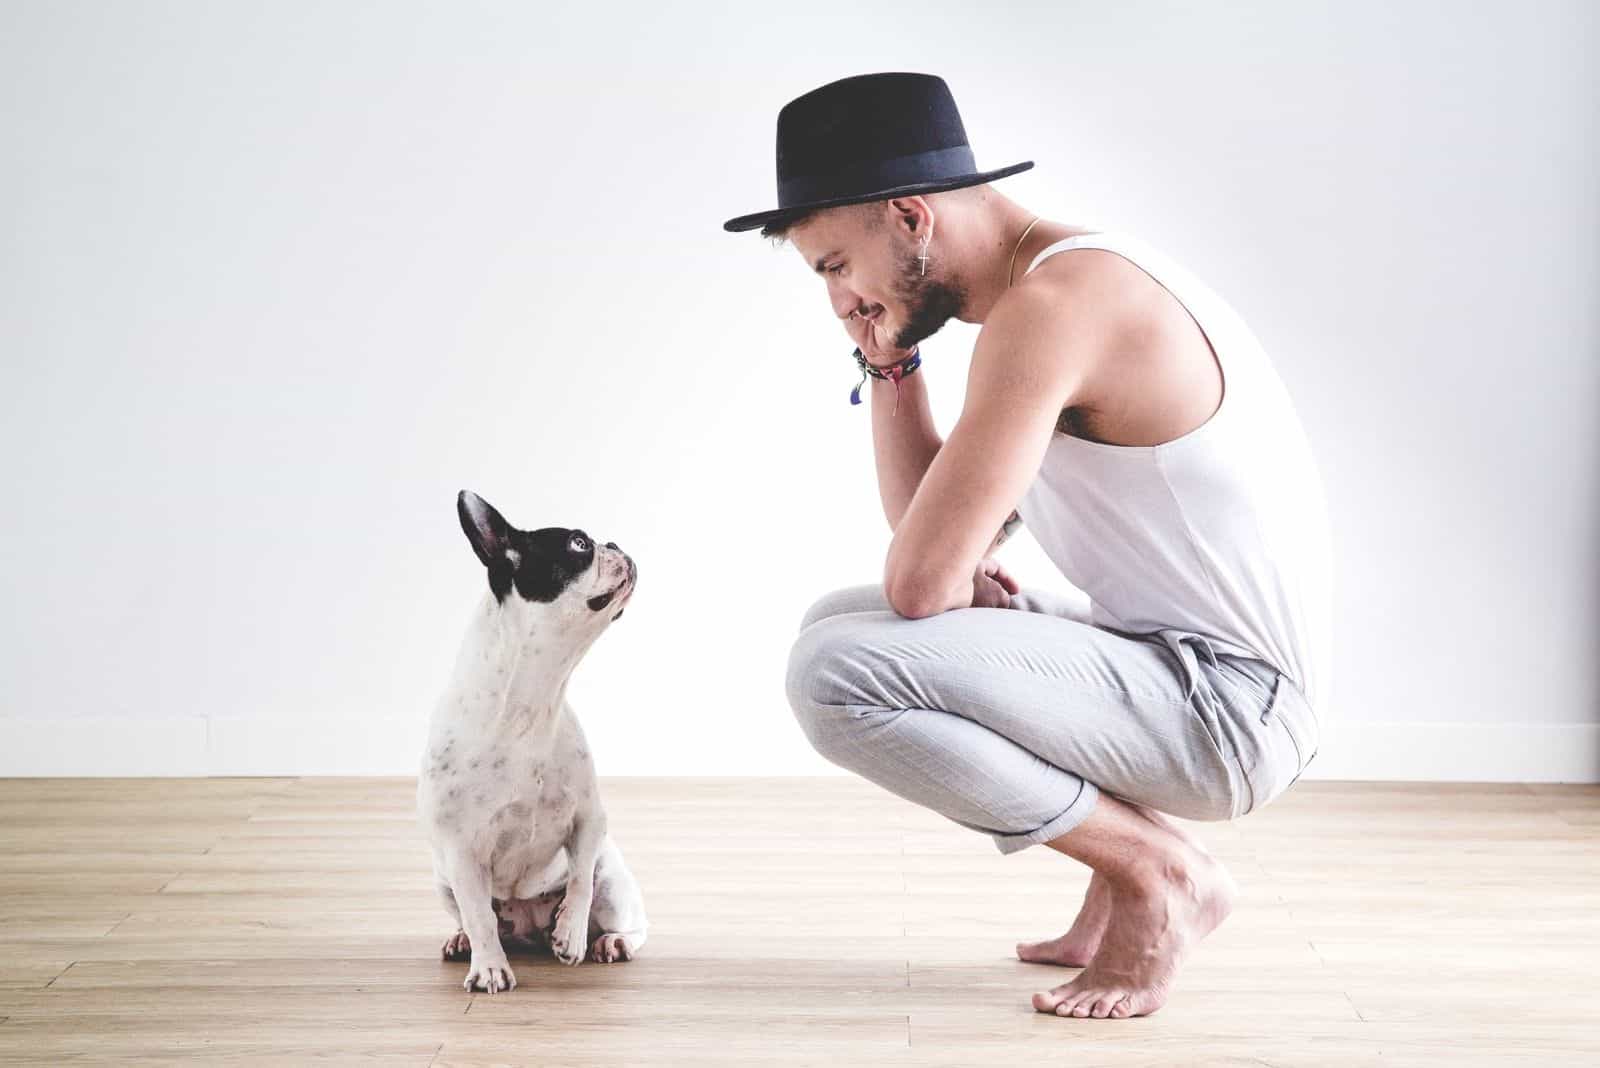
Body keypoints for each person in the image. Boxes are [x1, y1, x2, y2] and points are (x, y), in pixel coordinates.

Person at [723, 72, 1332, 1020]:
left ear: (911, 217)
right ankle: (1124, 870)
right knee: (839, 622)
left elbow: (924, 582)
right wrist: (890, 361)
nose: (841, 296)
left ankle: (1158, 872)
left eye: (835, 265)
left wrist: (950, 576)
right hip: (1182, 670)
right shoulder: (1069, 281)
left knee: (835, 674)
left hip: (1228, 712)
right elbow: (924, 537)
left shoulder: (1051, 311)